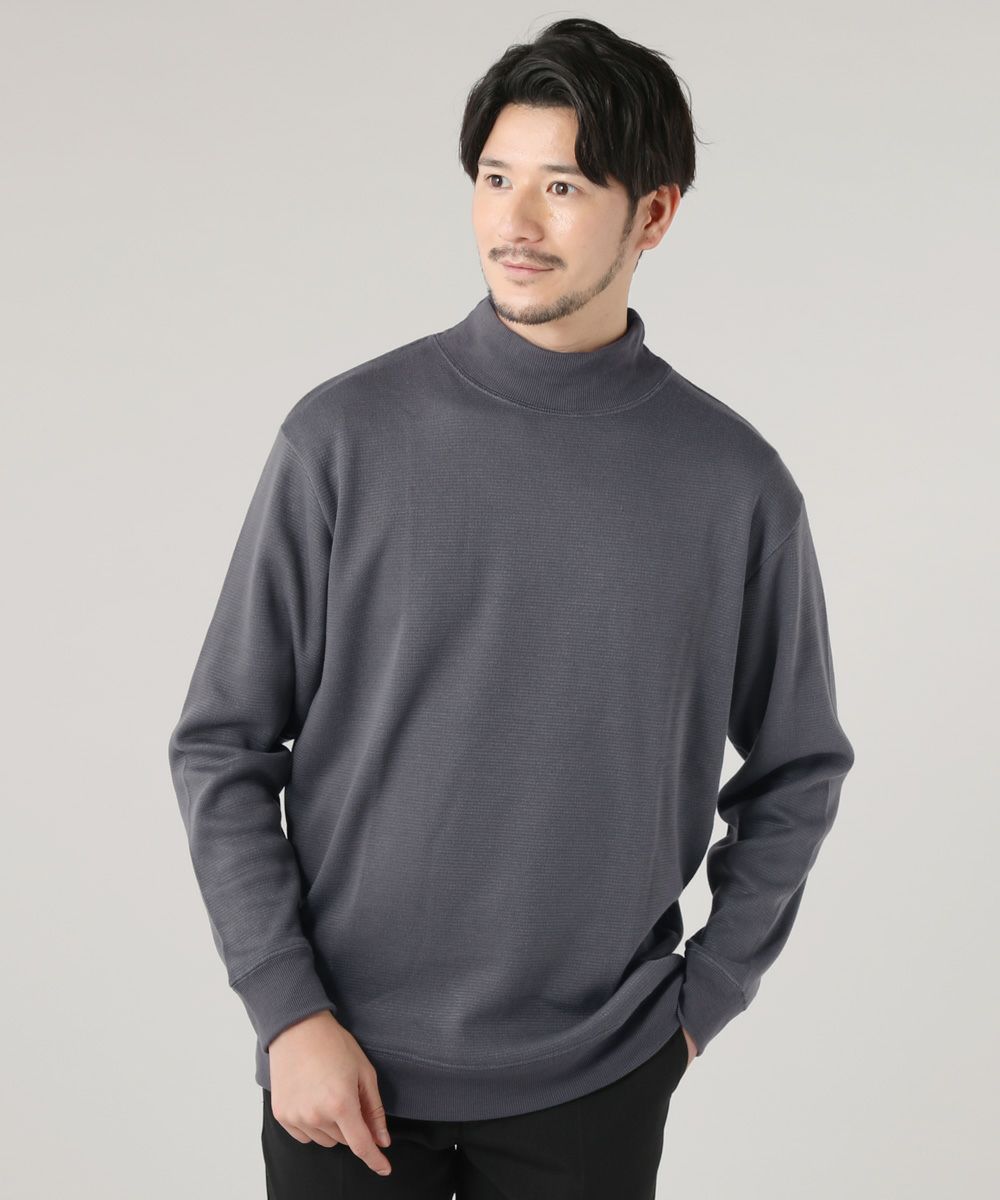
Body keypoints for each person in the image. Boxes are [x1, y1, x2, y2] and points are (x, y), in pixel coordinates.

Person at [168, 17, 855, 1199]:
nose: (516, 223)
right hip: (338, 1070)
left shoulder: (731, 485)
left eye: (563, 187)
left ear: (652, 214)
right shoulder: (342, 440)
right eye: (495, 179)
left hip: (595, 1080)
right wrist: (287, 1013)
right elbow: (221, 745)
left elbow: (798, 767)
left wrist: (699, 1006)